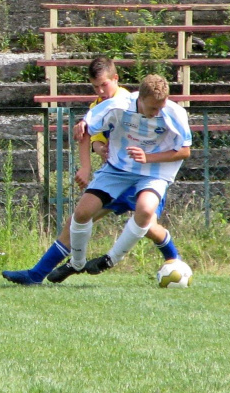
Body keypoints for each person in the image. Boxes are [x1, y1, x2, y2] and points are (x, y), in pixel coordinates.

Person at [2, 59, 181, 285]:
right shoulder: (99, 105)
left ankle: (174, 260)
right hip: (117, 175)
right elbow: (92, 136)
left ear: (116, 80)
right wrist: (92, 153)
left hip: (145, 176)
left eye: (104, 85)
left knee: (147, 226)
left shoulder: (132, 102)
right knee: (78, 219)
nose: (100, 91)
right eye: (95, 87)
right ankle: (41, 273)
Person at [46, 74, 191, 283]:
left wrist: (148, 157)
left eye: (161, 107)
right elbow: (86, 127)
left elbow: (185, 151)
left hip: (154, 172)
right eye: (152, 108)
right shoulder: (118, 105)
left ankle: (110, 260)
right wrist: (85, 164)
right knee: (81, 213)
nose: (157, 112)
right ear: (139, 99)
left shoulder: (174, 113)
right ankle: (76, 263)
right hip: (118, 170)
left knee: (146, 212)